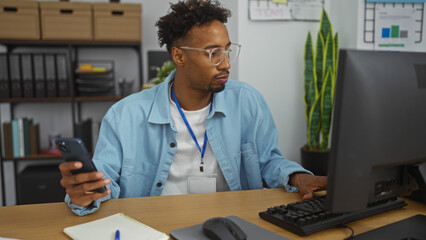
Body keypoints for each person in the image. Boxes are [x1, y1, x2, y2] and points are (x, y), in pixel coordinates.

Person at [59, 0, 327, 216]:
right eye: (213, 53)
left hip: (232, 223)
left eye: (227, 50)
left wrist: (296, 177)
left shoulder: (248, 101)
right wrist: (87, 190)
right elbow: (104, 177)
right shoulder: (125, 115)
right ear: (179, 56)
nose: (226, 64)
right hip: (154, 226)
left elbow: (269, 161)